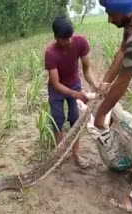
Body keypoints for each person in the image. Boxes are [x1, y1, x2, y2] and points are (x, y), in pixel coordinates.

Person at [95, 0, 132, 212]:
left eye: (112, 14)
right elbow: (121, 50)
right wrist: (106, 80)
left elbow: (124, 82)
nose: (109, 19)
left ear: (126, 12)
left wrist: (101, 114)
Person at [44, 16, 97, 169]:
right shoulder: (50, 53)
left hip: (74, 83)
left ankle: (76, 154)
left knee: (75, 118)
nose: (68, 41)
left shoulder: (80, 42)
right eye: (64, 39)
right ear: (56, 37)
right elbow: (55, 82)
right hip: (57, 89)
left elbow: (87, 70)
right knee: (57, 120)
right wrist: (75, 94)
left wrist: (95, 85)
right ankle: (59, 156)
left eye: (70, 37)